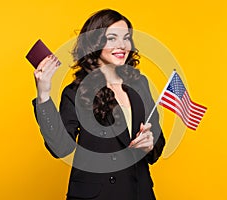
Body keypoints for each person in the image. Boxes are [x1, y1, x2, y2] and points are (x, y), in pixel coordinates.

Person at [32, 9, 165, 200]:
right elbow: (61, 148)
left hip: (139, 192)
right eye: (112, 38)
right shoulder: (76, 92)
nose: (122, 45)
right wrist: (43, 94)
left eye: (126, 37)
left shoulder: (139, 84)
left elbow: (158, 143)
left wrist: (150, 144)